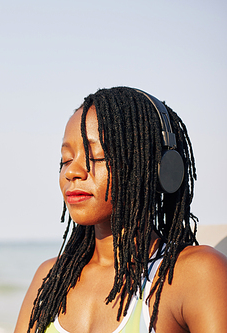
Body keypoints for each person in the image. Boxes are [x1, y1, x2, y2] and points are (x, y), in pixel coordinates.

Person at [14, 87, 227, 333]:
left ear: (151, 166)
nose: (71, 172)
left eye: (95, 156)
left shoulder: (196, 274)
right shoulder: (51, 277)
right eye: (65, 159)